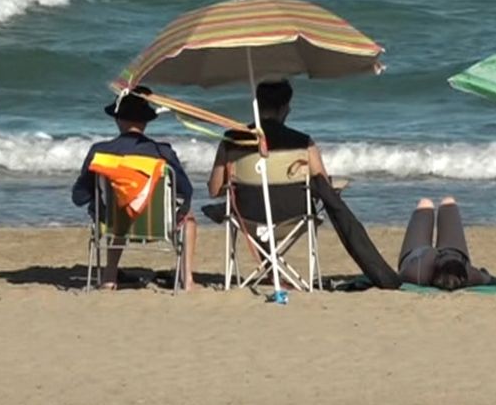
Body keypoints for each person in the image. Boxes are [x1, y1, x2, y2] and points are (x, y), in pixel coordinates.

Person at [72, 88, 197, 291]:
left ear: (117, 120)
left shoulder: (100, 151)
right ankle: (187, 279)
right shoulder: (162, 152)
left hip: (113, 221)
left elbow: (79, 197)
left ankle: (110, 276)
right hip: (157, 222)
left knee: (119, 204)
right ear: (146, 122)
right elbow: (186, 191)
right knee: (189, 218)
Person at [207, 79, 330, 197]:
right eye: (288, 106)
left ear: (258, 105)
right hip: (294, 216)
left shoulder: (231, 140)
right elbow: (325, 188)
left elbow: (214, 190)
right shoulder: (304, 142)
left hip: (246, 216)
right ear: (283, 108)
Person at [396, 197, 495, 291]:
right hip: (452, 254)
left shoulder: (416, 273)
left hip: (419, 253)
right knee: (446, 202)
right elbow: (486, 277)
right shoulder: (467, 274)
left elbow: (391, 278)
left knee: (426, 203)